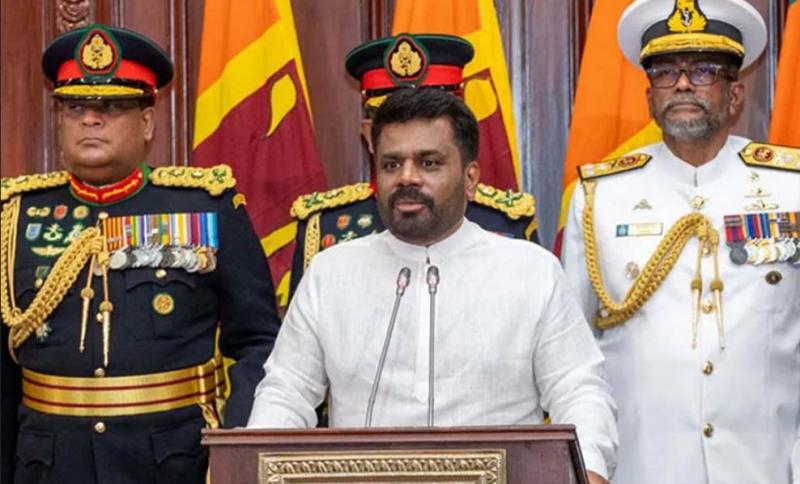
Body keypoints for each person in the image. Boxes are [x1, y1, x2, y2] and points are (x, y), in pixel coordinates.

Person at [248, 88, 618, 484]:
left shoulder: (531, 271)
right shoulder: (331, 272)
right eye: (391, 164)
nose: (407, 177)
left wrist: (589, 472)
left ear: (470, 178)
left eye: (429, 163)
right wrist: (252, 466)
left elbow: (578, 391)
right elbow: (286, 393)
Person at [0, 24, 281, 484]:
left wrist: (233, 448)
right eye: (75, 108)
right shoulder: (16, 216)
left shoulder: (206, 207)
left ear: (147, 123)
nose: (90, 120)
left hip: (173, 463)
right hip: (50, 464)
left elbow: (258, 342)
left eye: (111, 107)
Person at [561, 1, 800, 483]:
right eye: (666, 72)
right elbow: (572, 360)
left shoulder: (790, 187)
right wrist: (588, 467)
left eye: (704, 70)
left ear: (735, 93)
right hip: (640, 470)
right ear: (649, 96)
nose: (683, 84)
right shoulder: (599, 198)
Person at [288, 33, 539, 298]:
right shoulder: (326, 227)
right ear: (370, 135)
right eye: (393, 121)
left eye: (429, 161)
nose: (408, 176)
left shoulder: (506, 224)